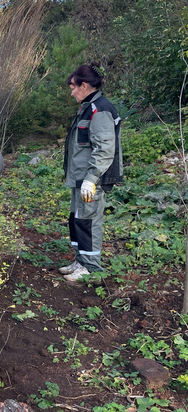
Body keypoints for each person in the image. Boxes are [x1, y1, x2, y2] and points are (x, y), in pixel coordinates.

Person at [59, 62, 123, 281]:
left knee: (89, 221)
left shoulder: (100, 110)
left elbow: (105, 148)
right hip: (80, 178)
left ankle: (91, 268)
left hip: (90, 179)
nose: (72, 91)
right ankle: (81, 260)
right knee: (78, 218)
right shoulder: (87, 107)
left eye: (73, 86)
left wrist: (91, 178)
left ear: (85, 85)